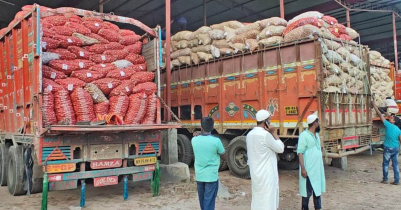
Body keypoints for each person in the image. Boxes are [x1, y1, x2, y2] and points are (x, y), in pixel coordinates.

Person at [246, 109, 284, 210]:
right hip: (267, 175)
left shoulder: (249, 135)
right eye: (269, 120)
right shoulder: (265, 135)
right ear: (266, 122)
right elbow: (280, 148)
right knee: (268, 200)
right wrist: (274, 133)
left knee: (257, 198)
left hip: (255, 174)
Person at [192, 117, 227, 210]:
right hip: (211, 177)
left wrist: (199, 133)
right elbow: (224, 157)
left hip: (199, 176)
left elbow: (201, 139)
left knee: (203, 202)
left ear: (201, 127)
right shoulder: (216, 141)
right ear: (212, 127)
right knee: (209, 203)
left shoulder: (194, 140)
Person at [297, 115, 326, 210]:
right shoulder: (303, 135)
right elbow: (300, 153)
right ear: (315, 123)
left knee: (317, 192)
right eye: (318, 122)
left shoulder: (316, 135)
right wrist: (303, 169)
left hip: (317, 170)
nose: (319, 124)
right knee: (306, 194)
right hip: (308, 170)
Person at [373, 102, 401, 185]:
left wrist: (375, 106)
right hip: (395, 148)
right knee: (395, 165)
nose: (390, 117)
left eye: (392, 118)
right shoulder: (398, 130)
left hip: (388, 148)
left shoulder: (388, 125)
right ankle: (397, 180)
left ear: (393, 121)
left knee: (385, 164)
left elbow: (380, 116)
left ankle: (385, 179)